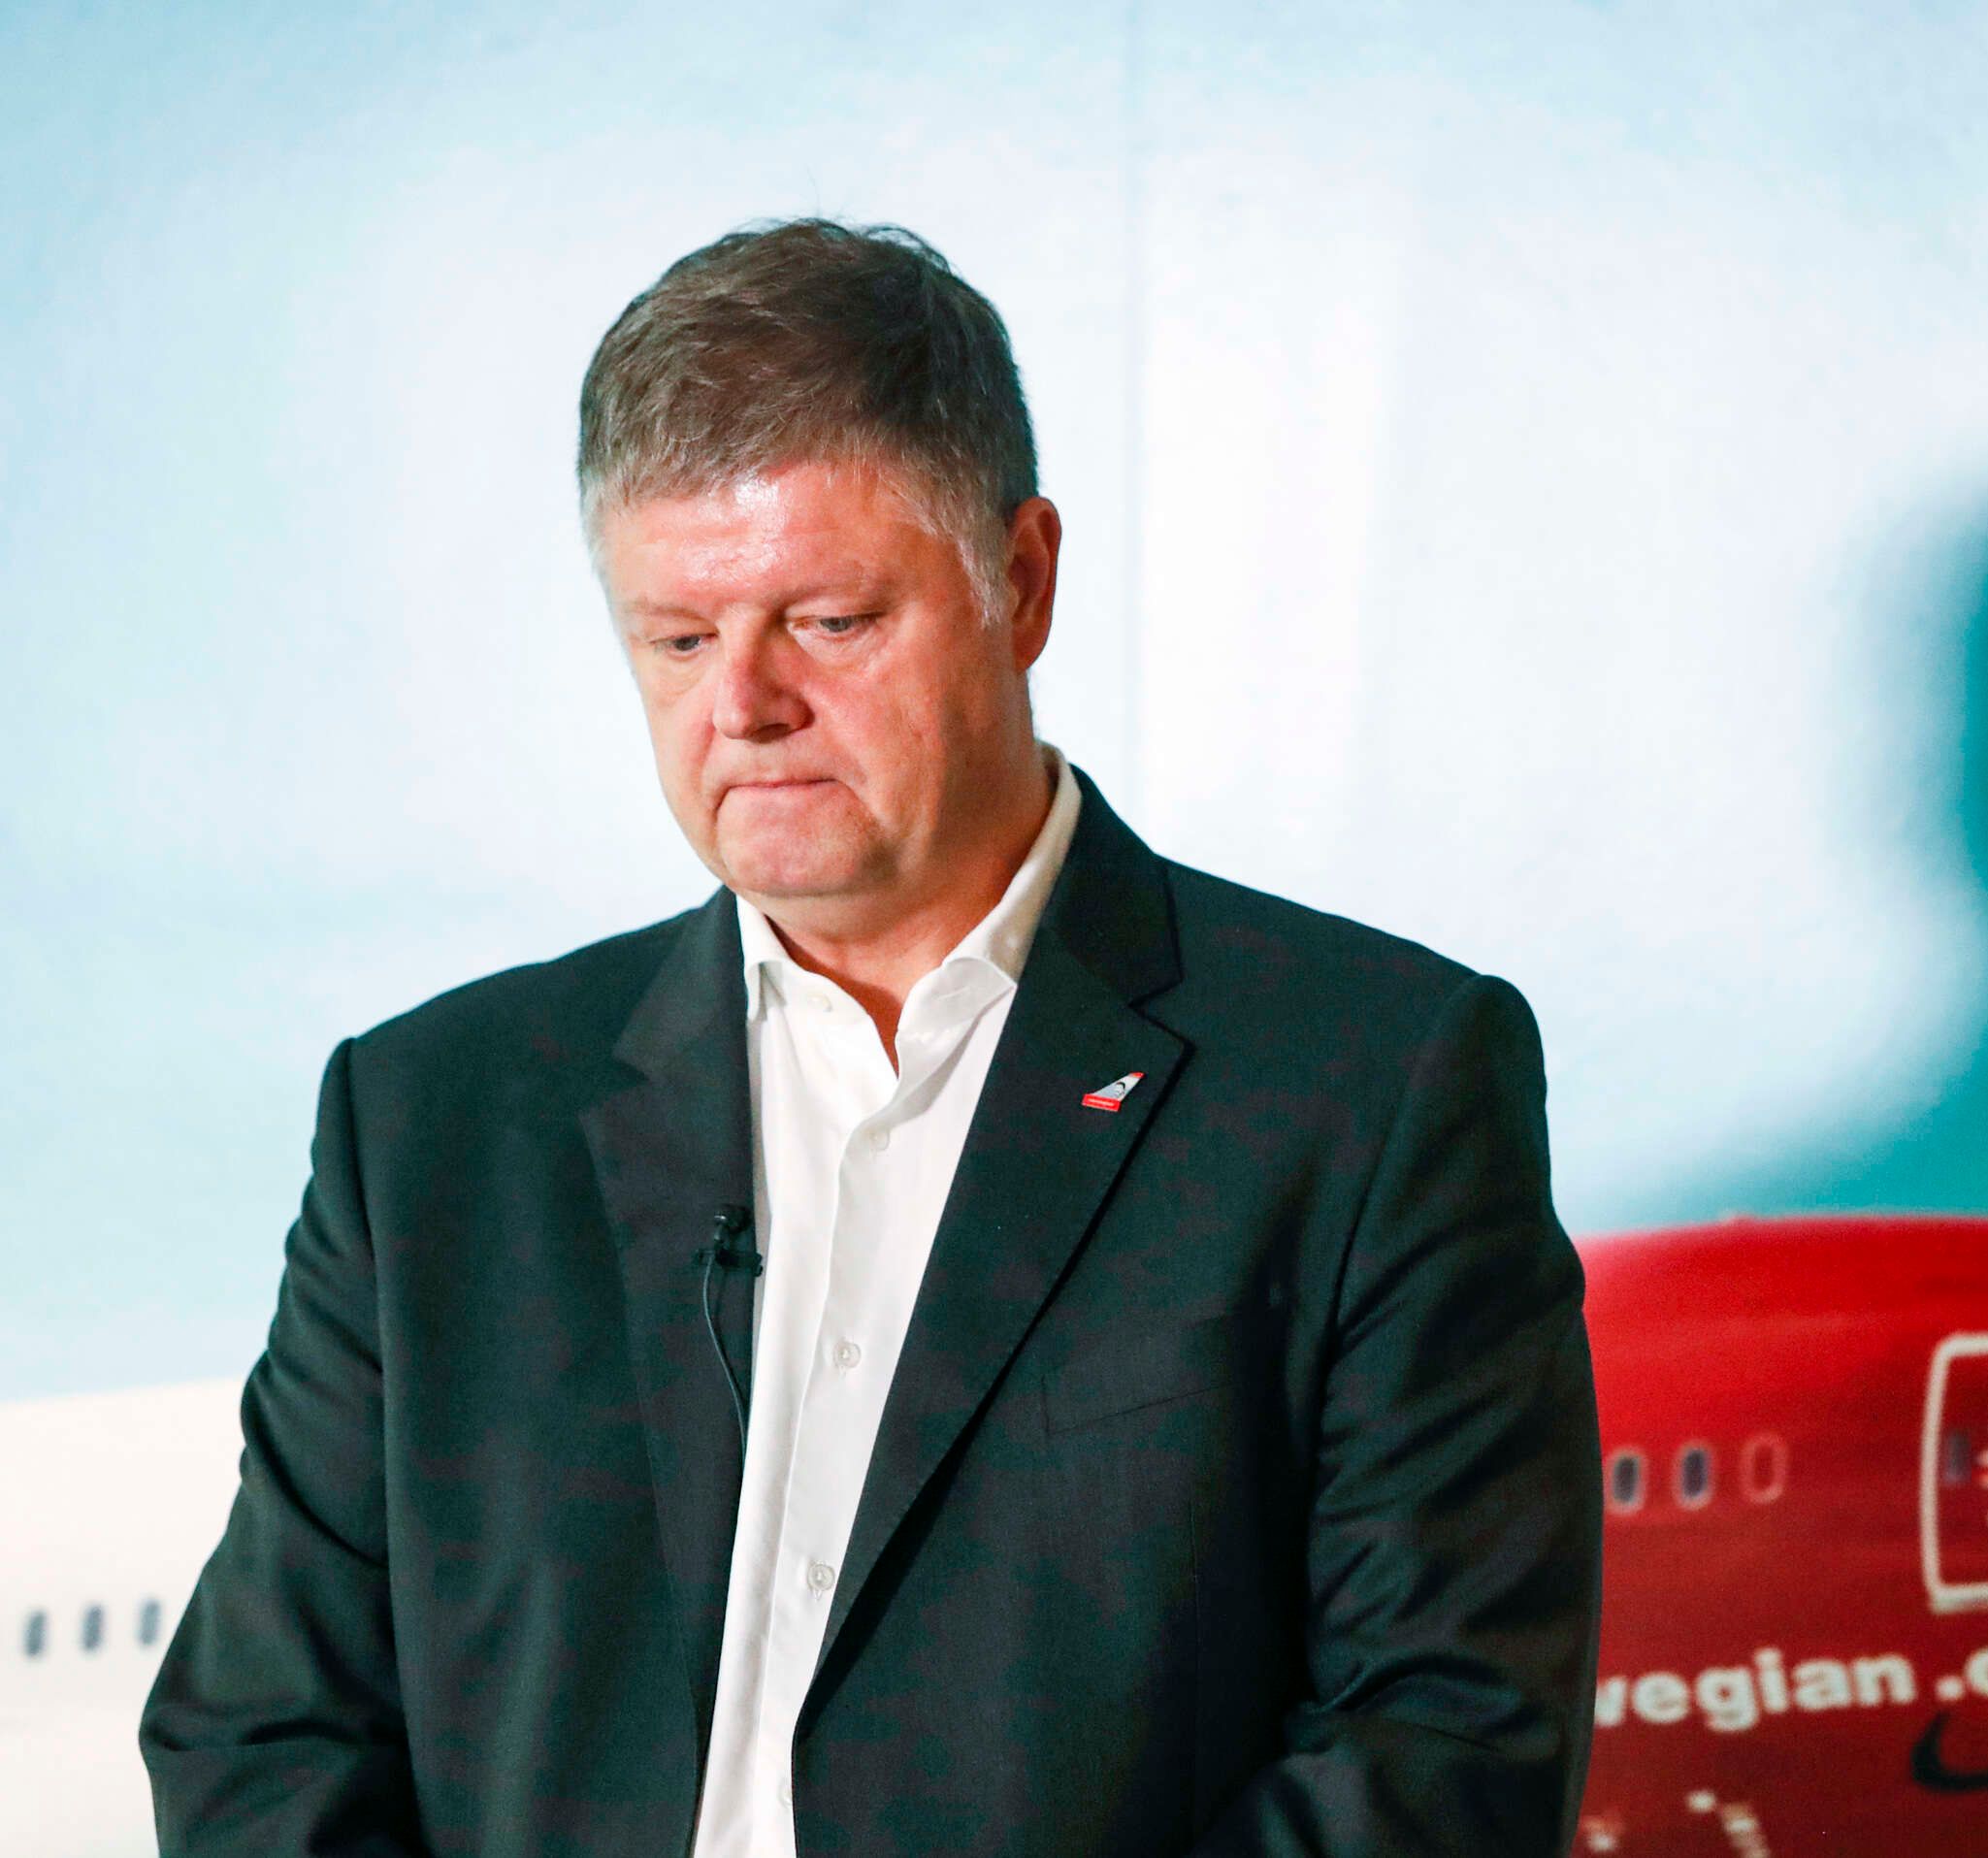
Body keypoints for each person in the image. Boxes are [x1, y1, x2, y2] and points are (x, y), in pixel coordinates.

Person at [139, 217, 1603, 1858]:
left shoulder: (1373, 1085)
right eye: (678, 639)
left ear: (1021, 582)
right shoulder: (429, 1124)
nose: (743, 706)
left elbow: (1443, 1750)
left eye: (828, 620)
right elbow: (263, 1741)